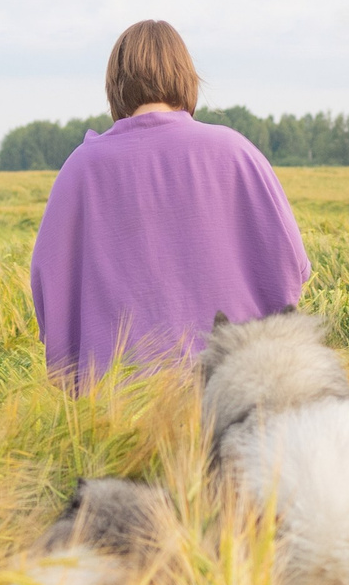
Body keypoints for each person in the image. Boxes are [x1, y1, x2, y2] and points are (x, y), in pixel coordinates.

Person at [29, 20, 310, 388]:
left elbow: (48, 285)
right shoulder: (236, 152)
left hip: (119, 402)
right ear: (186, 77)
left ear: (115, 85)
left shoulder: (80, 169)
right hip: (232, 394)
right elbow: (290, 269)